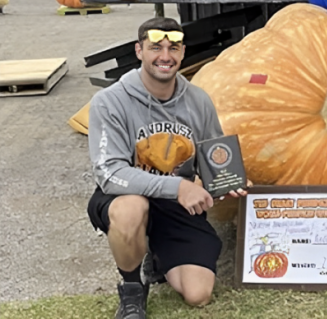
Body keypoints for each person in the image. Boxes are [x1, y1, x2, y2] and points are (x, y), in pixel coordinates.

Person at [87, 17, 246, 319]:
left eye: (173, 48)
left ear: (183, 53)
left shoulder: (198, 100)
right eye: (155, 48)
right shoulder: (110, 102)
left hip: (175, 204)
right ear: (139, 51)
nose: (165, 56)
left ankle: (158, 255)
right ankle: (133, 291)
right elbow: (109, 173)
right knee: (131, 210)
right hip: (127, 194)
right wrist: (179, 186)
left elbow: (214, 157)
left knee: (198, 294)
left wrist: (226, 181)